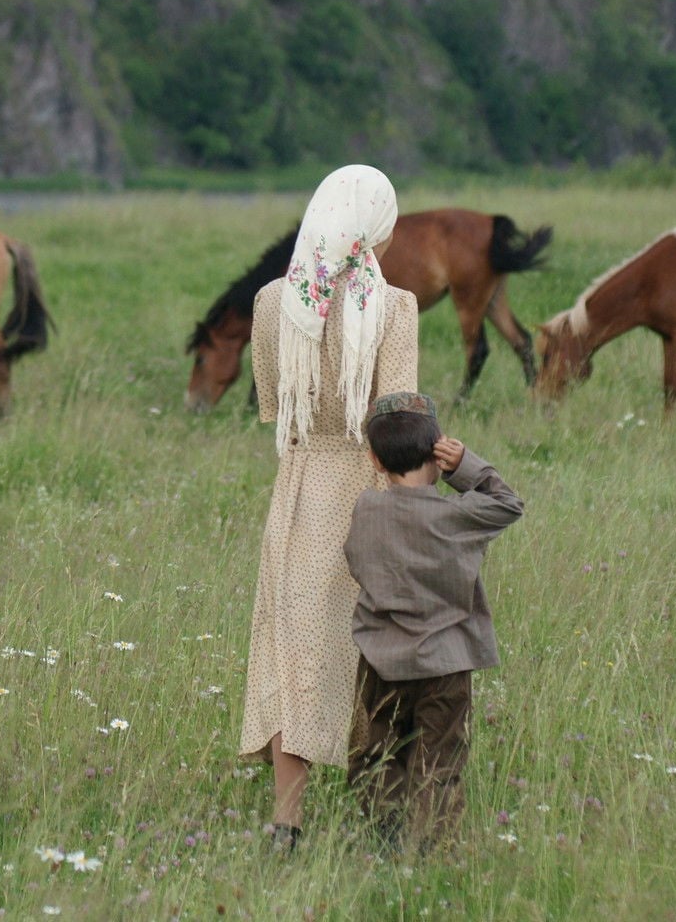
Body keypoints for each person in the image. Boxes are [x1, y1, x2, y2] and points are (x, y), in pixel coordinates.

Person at [240, 164, 419, 850]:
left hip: (298, 494)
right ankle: (384, 819)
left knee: (296, 655)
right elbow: (396, 422)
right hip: (371, 493)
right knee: (376, 653)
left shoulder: (269, 304)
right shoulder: (394, 307)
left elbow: (272, 410)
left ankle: (287, 824)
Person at [343, 392, 524, 847]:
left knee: (376, 753)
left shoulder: (367, 508)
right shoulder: (457, 514)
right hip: (446, 663)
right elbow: (509, 505)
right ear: (437, 449)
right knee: (439, 759)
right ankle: (429, 847)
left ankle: (381, 839)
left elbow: (355, 562)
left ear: (375, 461)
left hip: (381, 662)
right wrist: (466, 467)